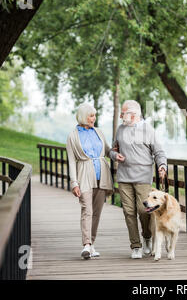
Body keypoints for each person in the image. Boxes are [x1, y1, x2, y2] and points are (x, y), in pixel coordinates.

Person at [109, 100, 167, 259]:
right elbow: (113, 149)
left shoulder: (148, 130)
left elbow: (159, 152)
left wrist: (162, 165)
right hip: (124, 177)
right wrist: (114, 155)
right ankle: (135, 246)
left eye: (123, 113)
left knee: (144, 210)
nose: (121, 115)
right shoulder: (120, 129)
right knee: (128, 211)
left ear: (133, 115)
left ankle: (147, 236)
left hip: (143, 178)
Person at [66, 102, 114, 259]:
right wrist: (74, 182)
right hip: (84, 176)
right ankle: (86, 245)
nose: (94, 118)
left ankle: (91, 244)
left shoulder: (98, 132)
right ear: (83, 117)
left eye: (94, 115)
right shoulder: (73, 136)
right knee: (87, 209)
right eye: (91, 115)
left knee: (97, 212)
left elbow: (107, 150)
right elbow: (72, 161)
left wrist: (115, 155)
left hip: (102, 176)